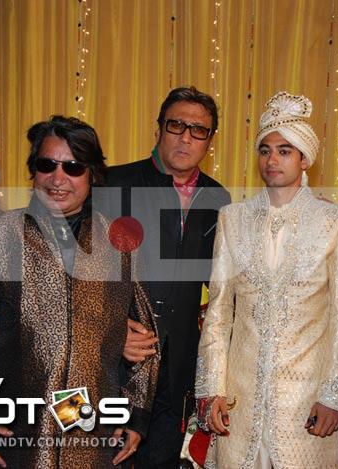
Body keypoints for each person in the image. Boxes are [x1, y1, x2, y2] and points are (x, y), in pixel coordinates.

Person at [0, 115, 159, 468]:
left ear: (92, 174)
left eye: (73, 167)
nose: (58, 178)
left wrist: (136, 414)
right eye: (48, 164)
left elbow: (146, 334)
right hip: (12, 431)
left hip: (89, 433)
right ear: (33, 171)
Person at [195, 91, 338, 468]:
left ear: (304, 159)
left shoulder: (334, 221)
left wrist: (334, 394)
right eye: (265, 150)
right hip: (241, 395)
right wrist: (211, 389)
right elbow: (219, 313)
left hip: (306, 399)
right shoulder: (231, 219)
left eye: (285, 150)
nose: (272, 160)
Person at [106, 86, 230, 467]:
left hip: (177, 367)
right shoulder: (111, 185)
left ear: (210, 140)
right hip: (114, 363)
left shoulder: (218, 199)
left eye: (199, 130)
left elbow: (224, 284)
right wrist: (112, 330)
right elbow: (77, 281)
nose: (186, 137)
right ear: (159, 128)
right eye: (176, 125)